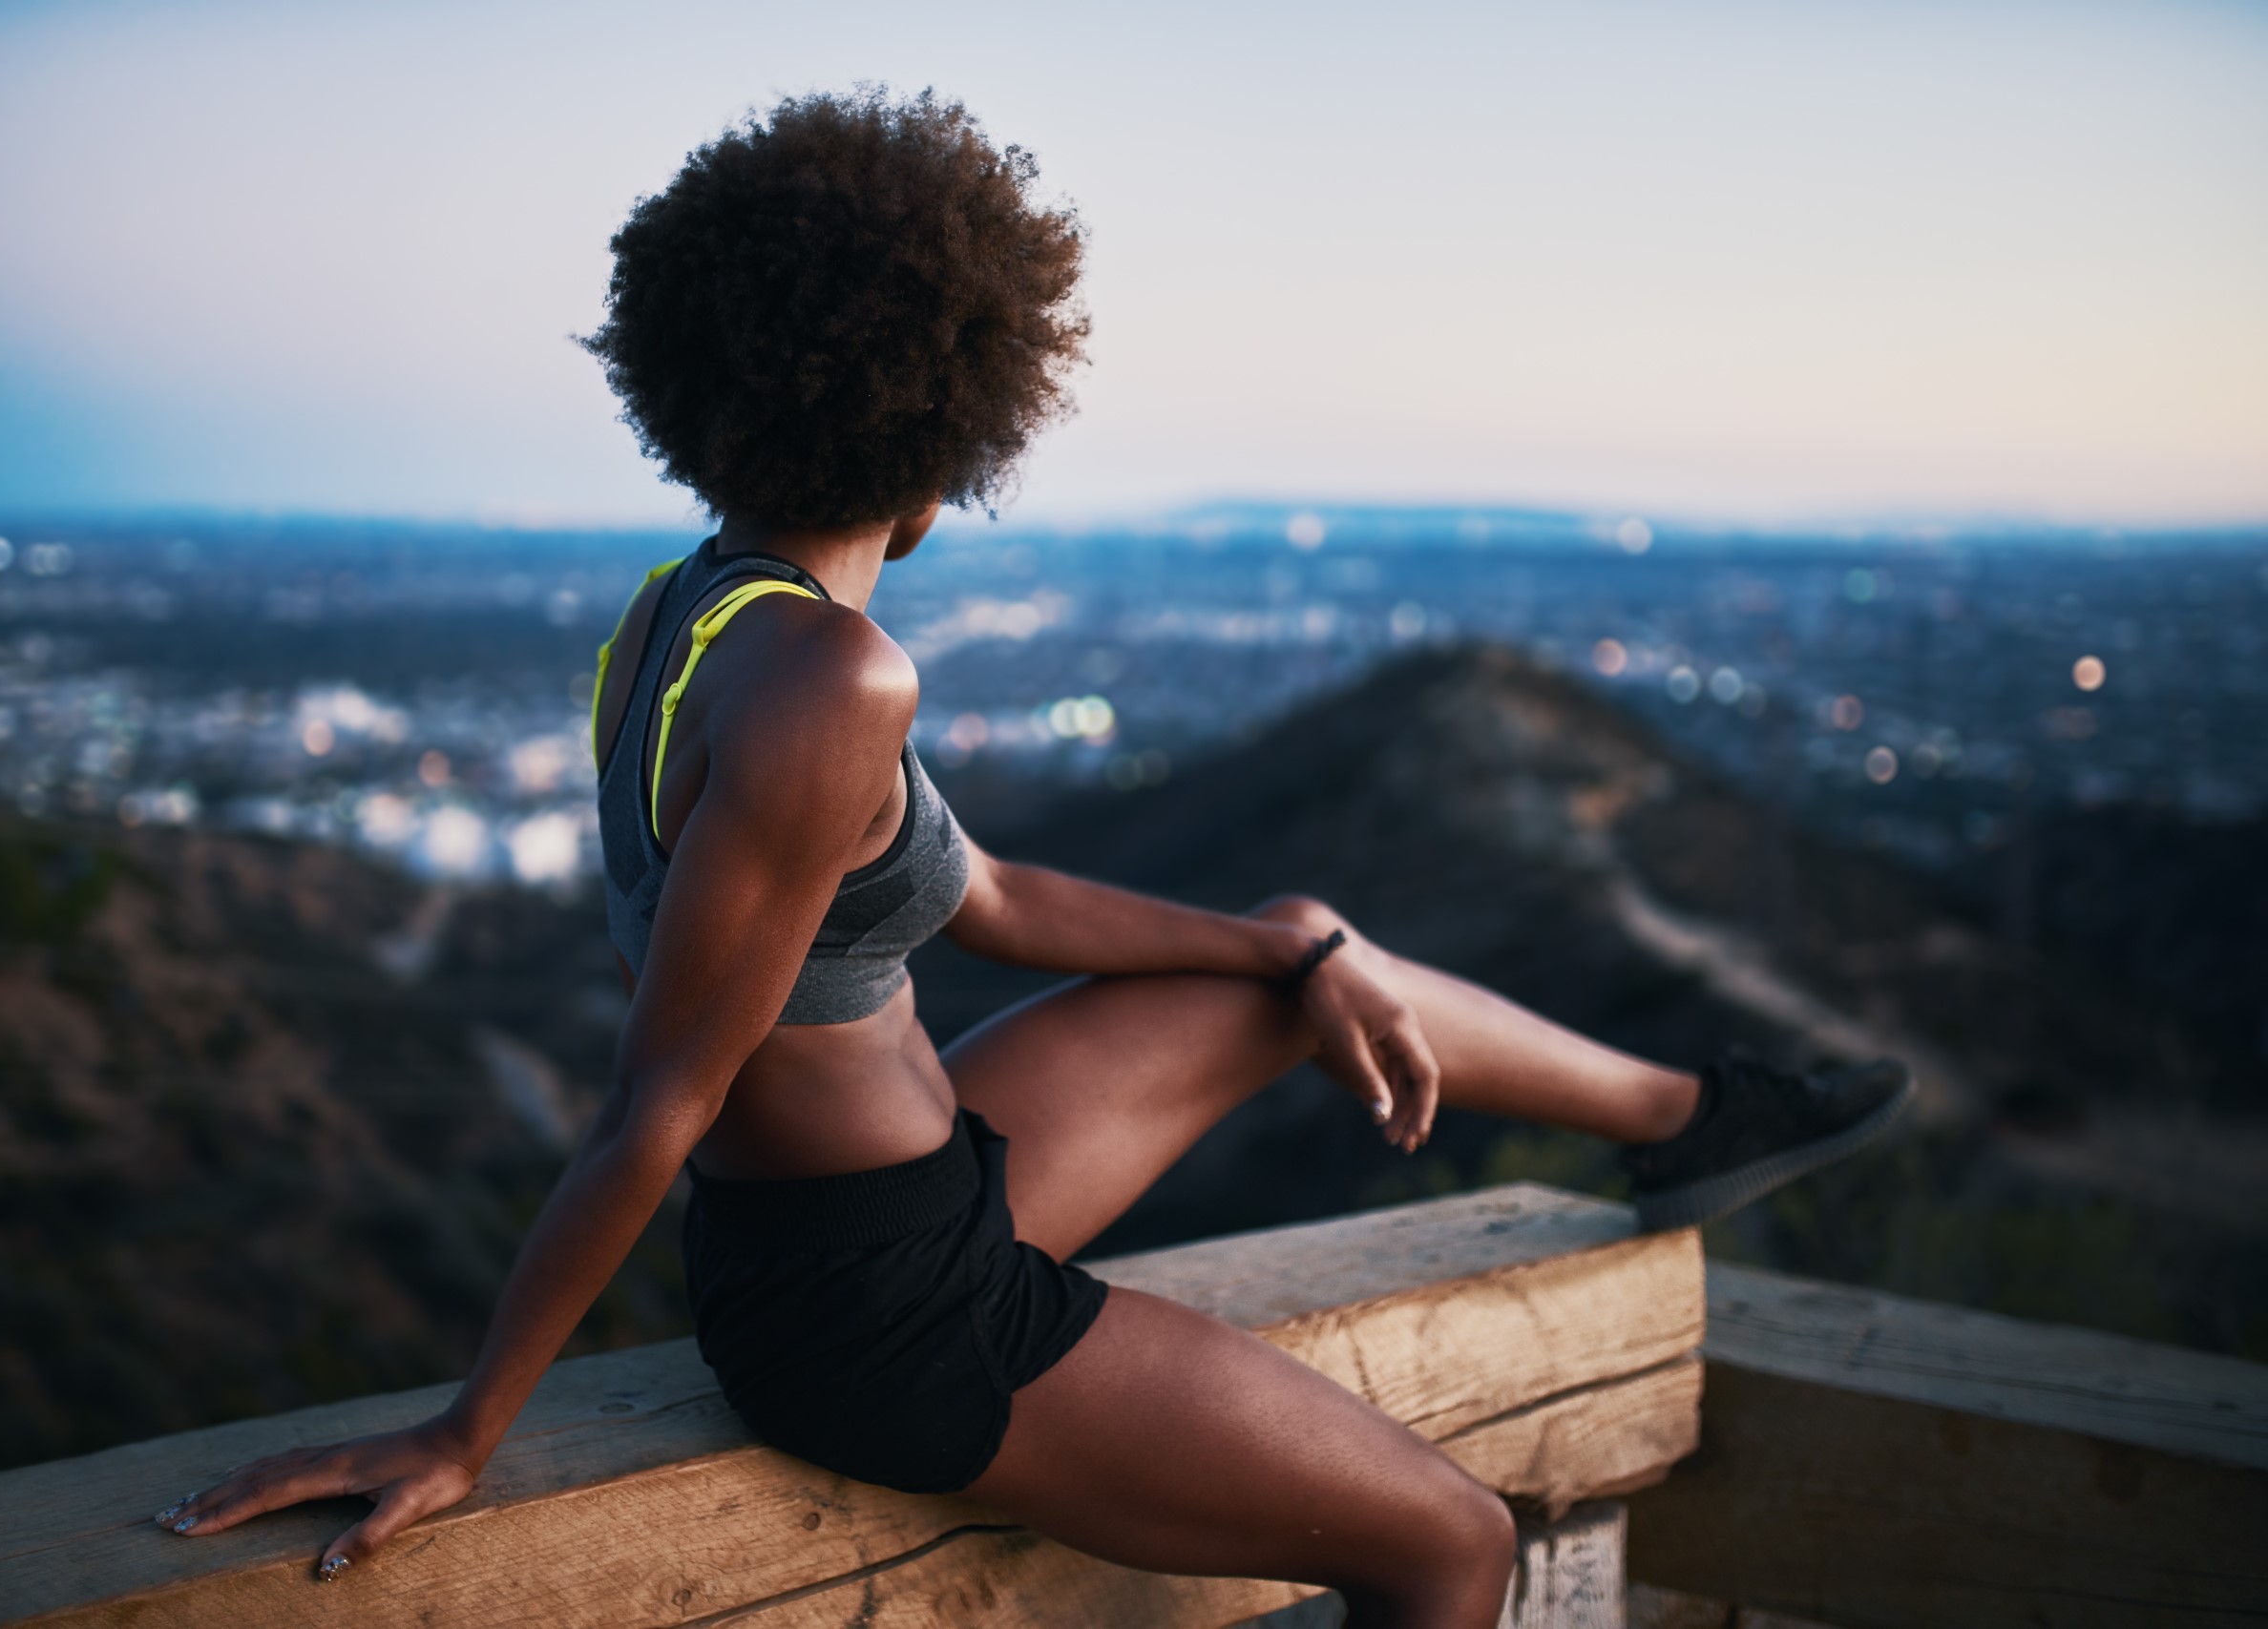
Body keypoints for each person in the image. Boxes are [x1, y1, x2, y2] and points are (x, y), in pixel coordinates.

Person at [155, 89, 1909, 1627]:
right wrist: (467, 1429)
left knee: (1301, 944)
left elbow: (988, 902)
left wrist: (1290, 957)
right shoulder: (831, 674)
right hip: (887, 1314)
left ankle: (1694, 1125)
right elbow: (660, 1100)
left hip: (907, 1209)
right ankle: (1663, 1126)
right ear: (948, 418)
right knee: (1451, 1551)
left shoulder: (685, 620)